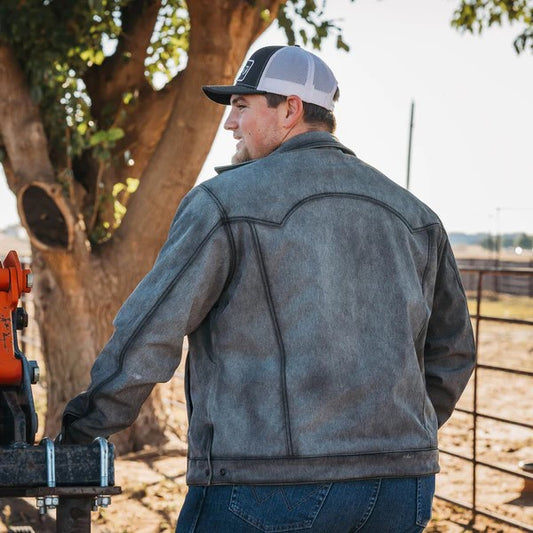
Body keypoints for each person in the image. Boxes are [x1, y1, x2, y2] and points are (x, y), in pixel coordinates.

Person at [61, 45, 476, 532]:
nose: (230, 123)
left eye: (241, 106)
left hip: (266, 486)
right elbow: (454, 353)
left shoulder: (223, 202)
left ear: (290, 109)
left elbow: (150, 334)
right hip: (398, 490)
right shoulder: (416, 215)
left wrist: (83, 430)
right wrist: (399, 440)